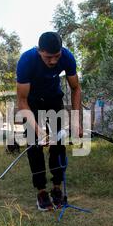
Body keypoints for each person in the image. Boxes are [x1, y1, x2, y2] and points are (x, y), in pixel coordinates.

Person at [16, 32, 83, 211]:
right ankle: (41, 192)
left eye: (57, 56)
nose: (53, 61)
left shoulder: (67, 57)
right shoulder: (26, 61)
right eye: (48, 57)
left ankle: (57, 188)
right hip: (32, 102)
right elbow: (22, 101)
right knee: (35, 146)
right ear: (39, 51)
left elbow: (76, 88)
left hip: (54, 99)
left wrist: (76, 120)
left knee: (58, 143)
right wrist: (38, 131)